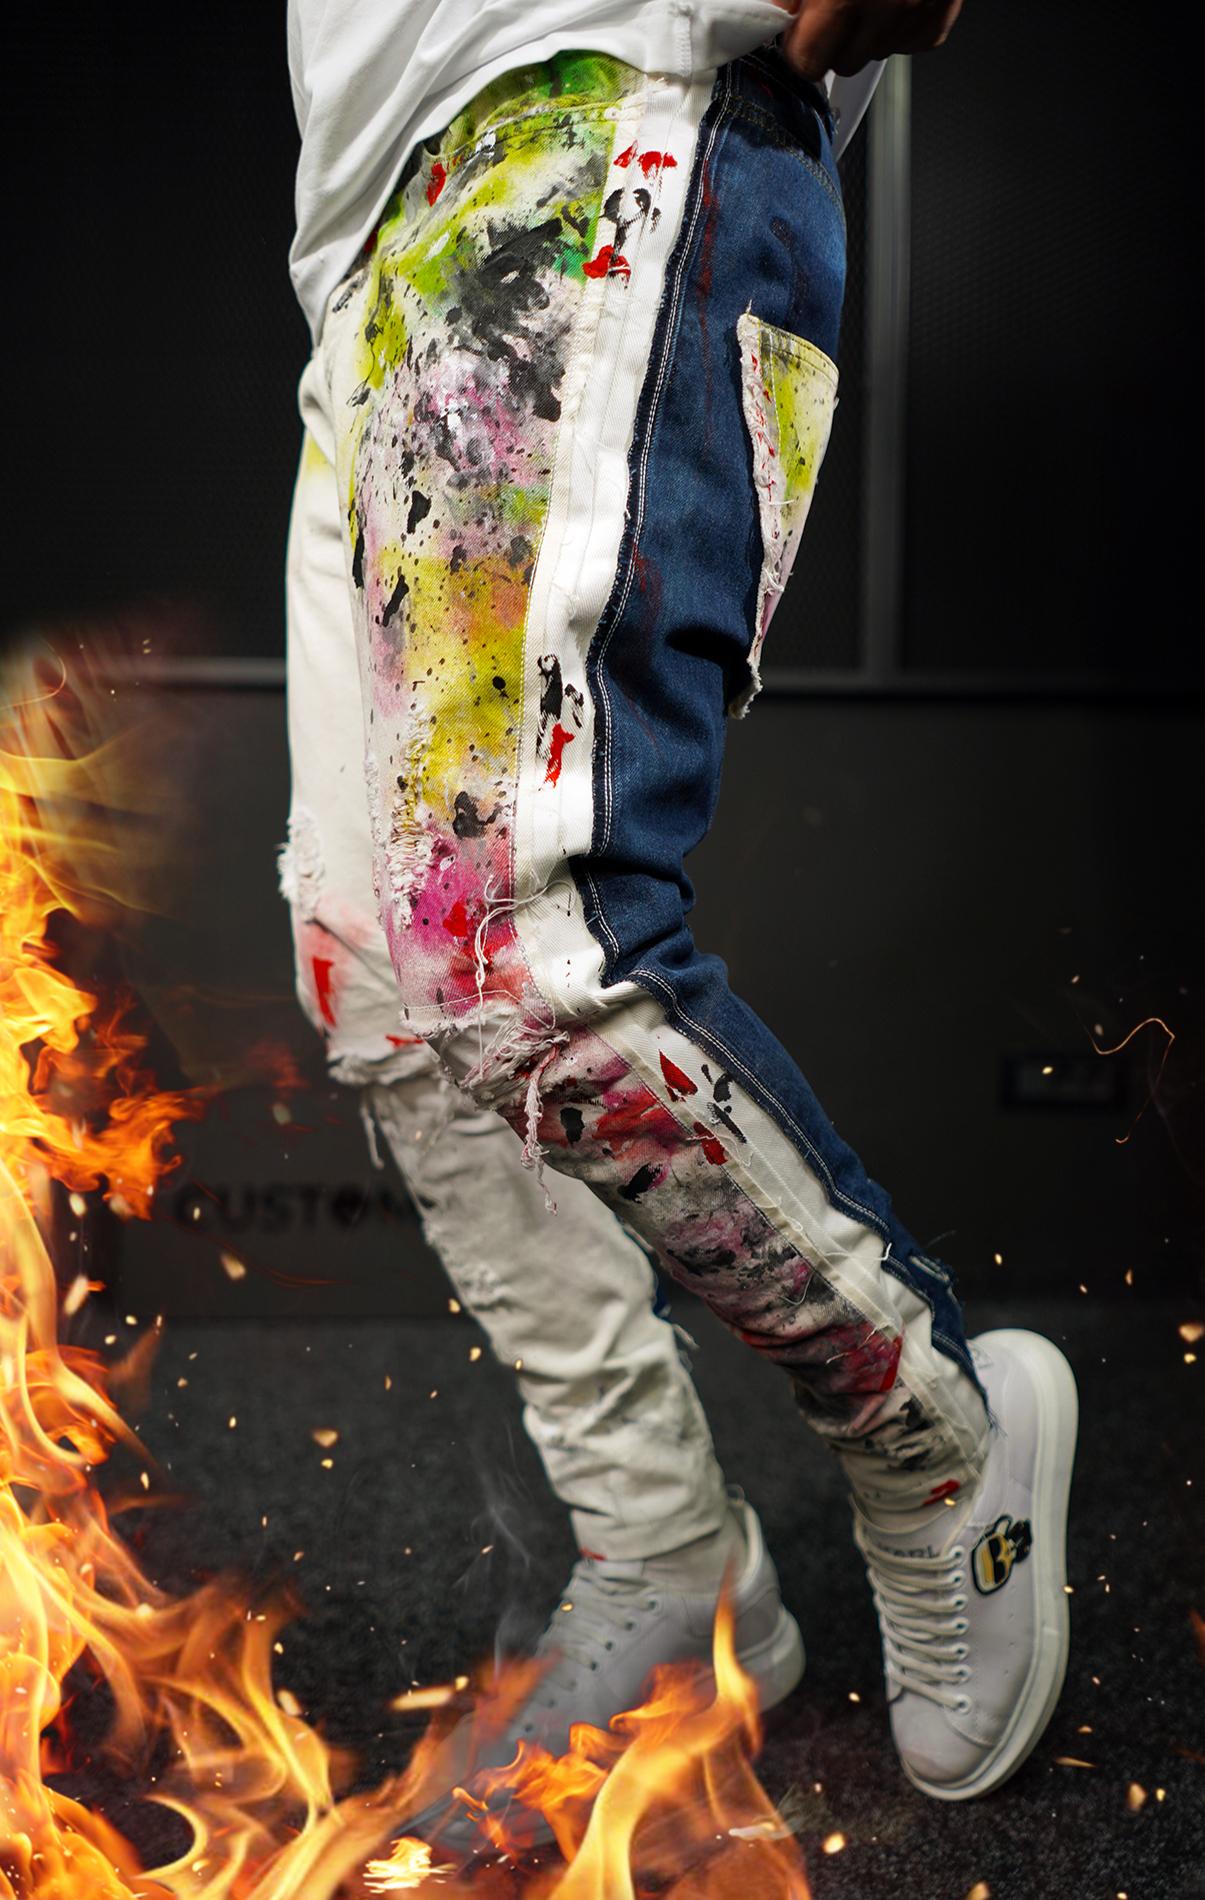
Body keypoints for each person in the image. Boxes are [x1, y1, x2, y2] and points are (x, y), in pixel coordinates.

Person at [279, 0, 1079, 1852]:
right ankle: (661, 1552)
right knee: (383, 983)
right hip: (368, 242)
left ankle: (931, 1435)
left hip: (594, 99)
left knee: (520, 951)